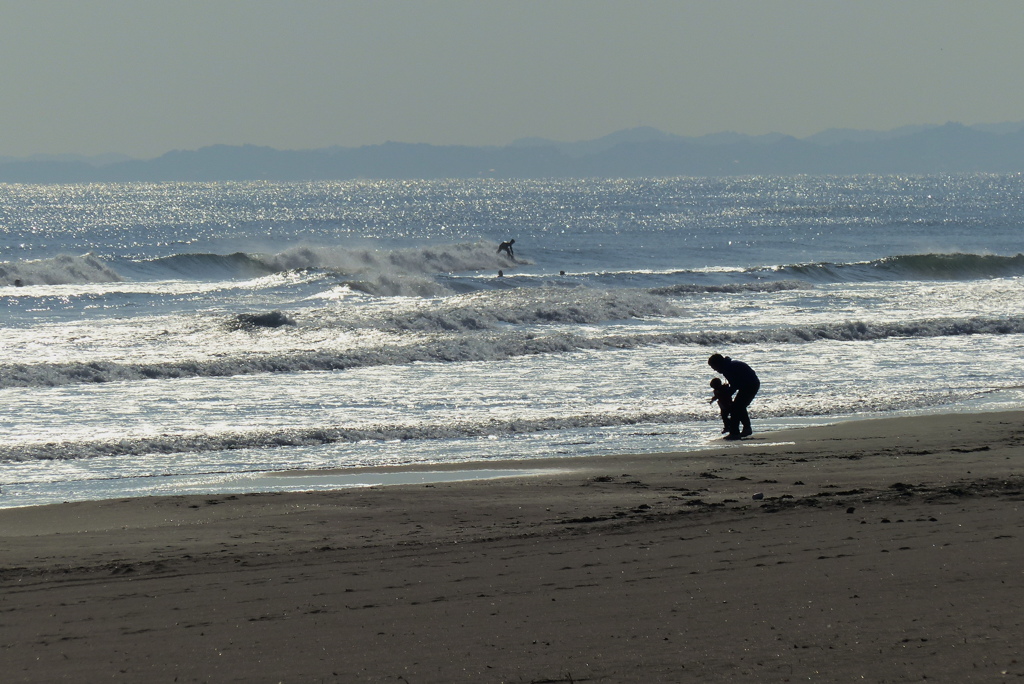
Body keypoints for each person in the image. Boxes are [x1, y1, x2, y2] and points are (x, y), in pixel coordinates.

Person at [707, 353, 760, 440]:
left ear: (718, 363)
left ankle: (735, 433)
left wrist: (726, 395)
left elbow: (734, 385)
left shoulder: (728, 369)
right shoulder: (728, 366)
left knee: (736, 408)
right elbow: (734, 384)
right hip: (748, 384)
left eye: (714, 367)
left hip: (751, 385)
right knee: (739, 407)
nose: (715, 370)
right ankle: (746, 429)